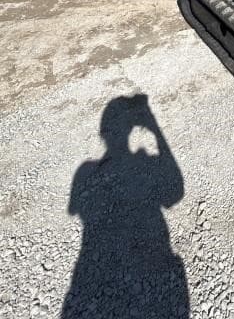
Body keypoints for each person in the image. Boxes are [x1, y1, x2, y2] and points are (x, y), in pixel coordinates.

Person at [61, 95, 190, 318]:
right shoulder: (90, 170)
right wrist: (155, 129)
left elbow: (74, 209)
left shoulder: (84, 171)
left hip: (90, 269)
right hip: (154, 254)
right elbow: (174, 194)